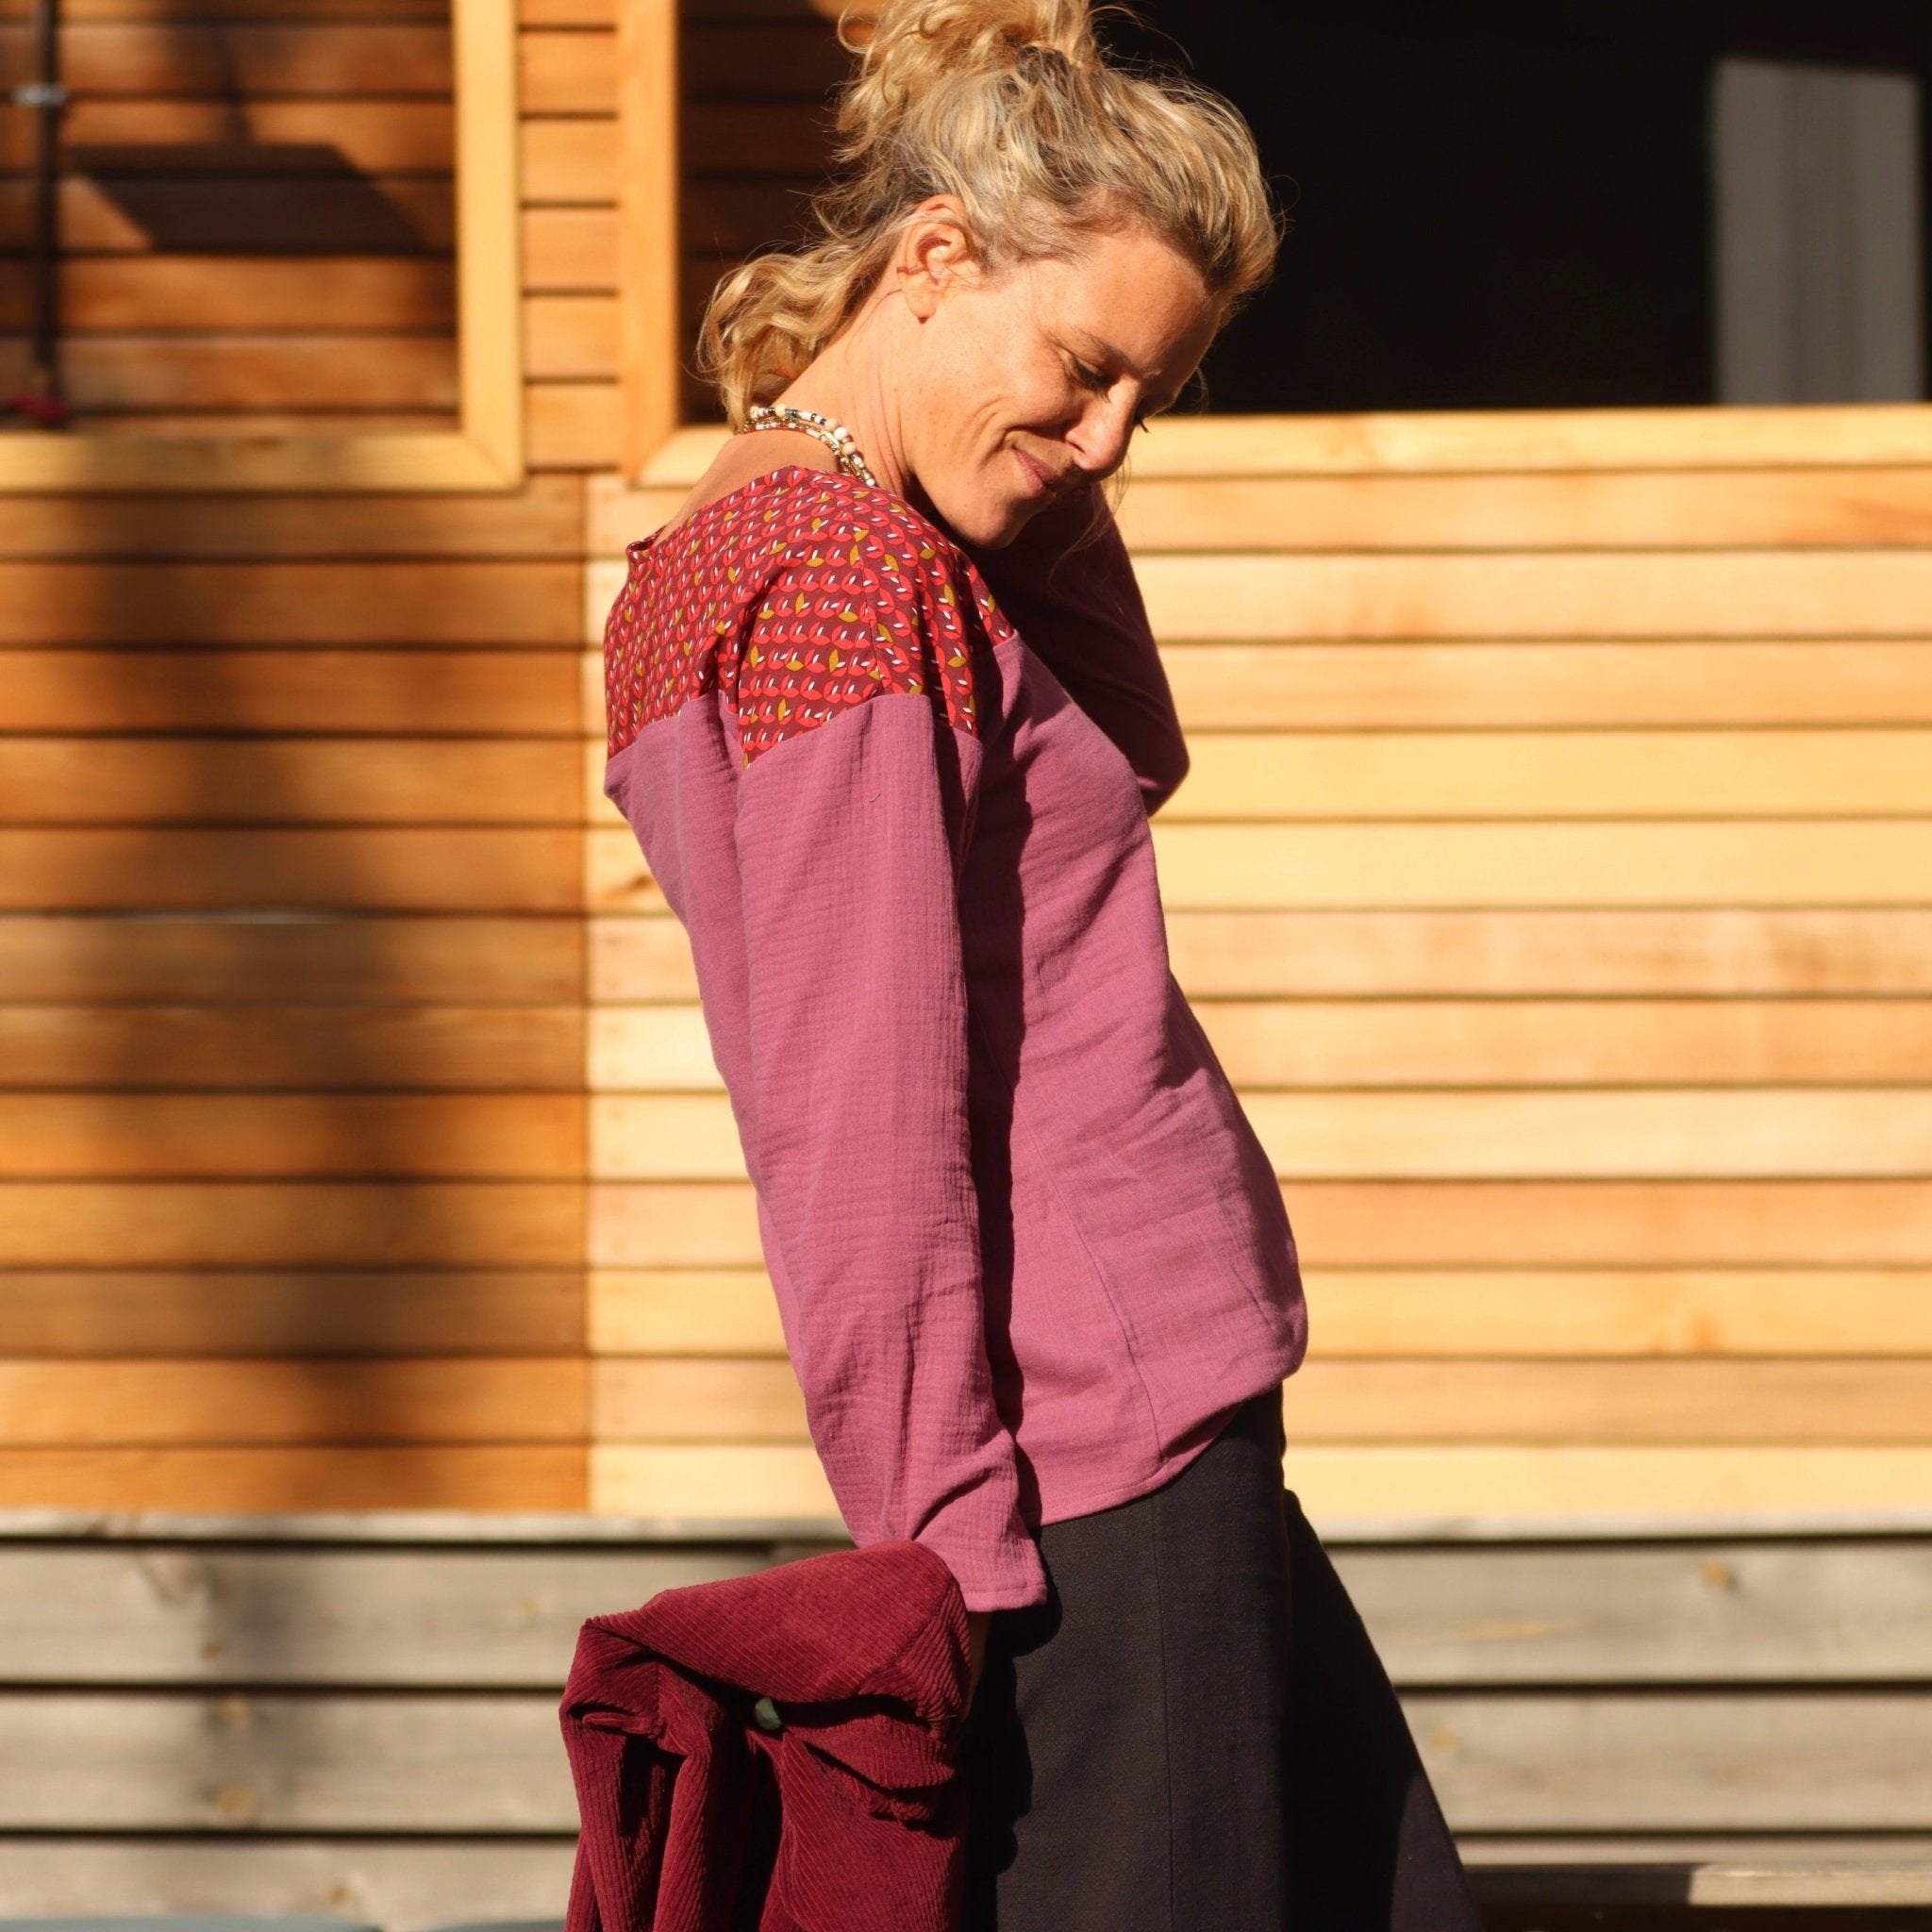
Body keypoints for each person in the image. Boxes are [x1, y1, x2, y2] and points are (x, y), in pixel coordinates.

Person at [599, 1, 1484, 1924]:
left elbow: (1126, 742)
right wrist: (940, 1553)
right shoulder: (842, 578)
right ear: (931, 257)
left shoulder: (797, 549)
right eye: (1084, 371)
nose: (1104, 442)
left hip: (1144, 1417)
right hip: (1088, 1453)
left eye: (1145, 403)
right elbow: (860, 1121)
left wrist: (1031, 464)